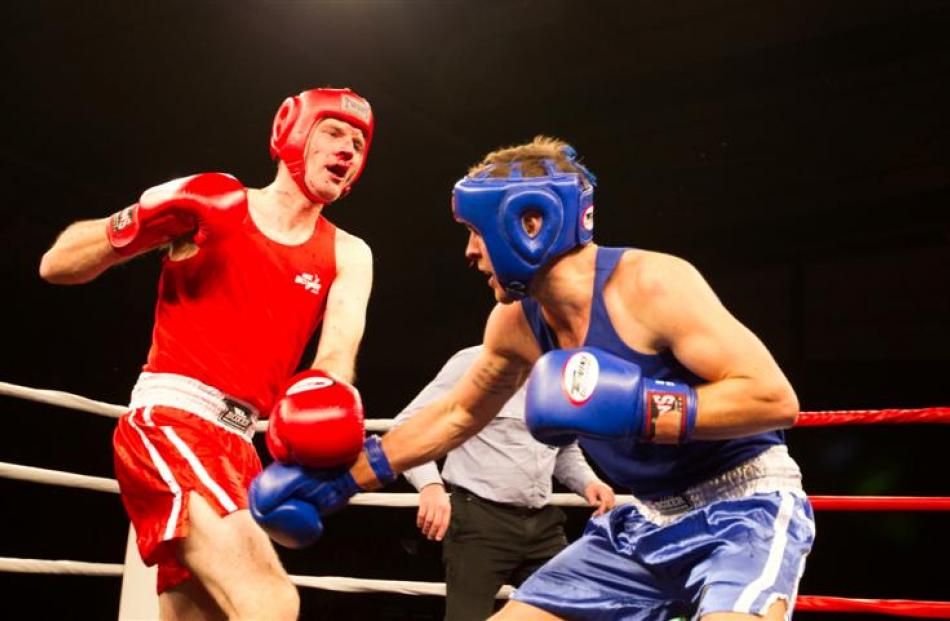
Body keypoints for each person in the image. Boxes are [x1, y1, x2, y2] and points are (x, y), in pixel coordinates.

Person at [251, 136, 815, 621]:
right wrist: (345, 480)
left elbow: (774, 399)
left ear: (529, 222)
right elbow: (459, 413)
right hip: (642, 519)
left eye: (476, 232)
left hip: (743, 507)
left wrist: (640, 408)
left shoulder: (653, 284)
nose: (470, 252)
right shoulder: (514, 322)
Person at [39, 88, 377, 621]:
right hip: (170, 424)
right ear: (293, 133)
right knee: (271, 602)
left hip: (241, 448)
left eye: (359, 144)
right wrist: (138, 219)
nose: (347, 151)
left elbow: (335, 353)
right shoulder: (216, 207)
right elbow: (57, 265)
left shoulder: (348, 252)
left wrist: (323, 404)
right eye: (335, 133)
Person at [395, 345, 615, 621]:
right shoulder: (475, 362)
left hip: (543, 525)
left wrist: (588, 482)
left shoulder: (566, 373)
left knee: (571, 610)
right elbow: (407, 424)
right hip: (481, 521)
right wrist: (430, 485)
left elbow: (563, 447)